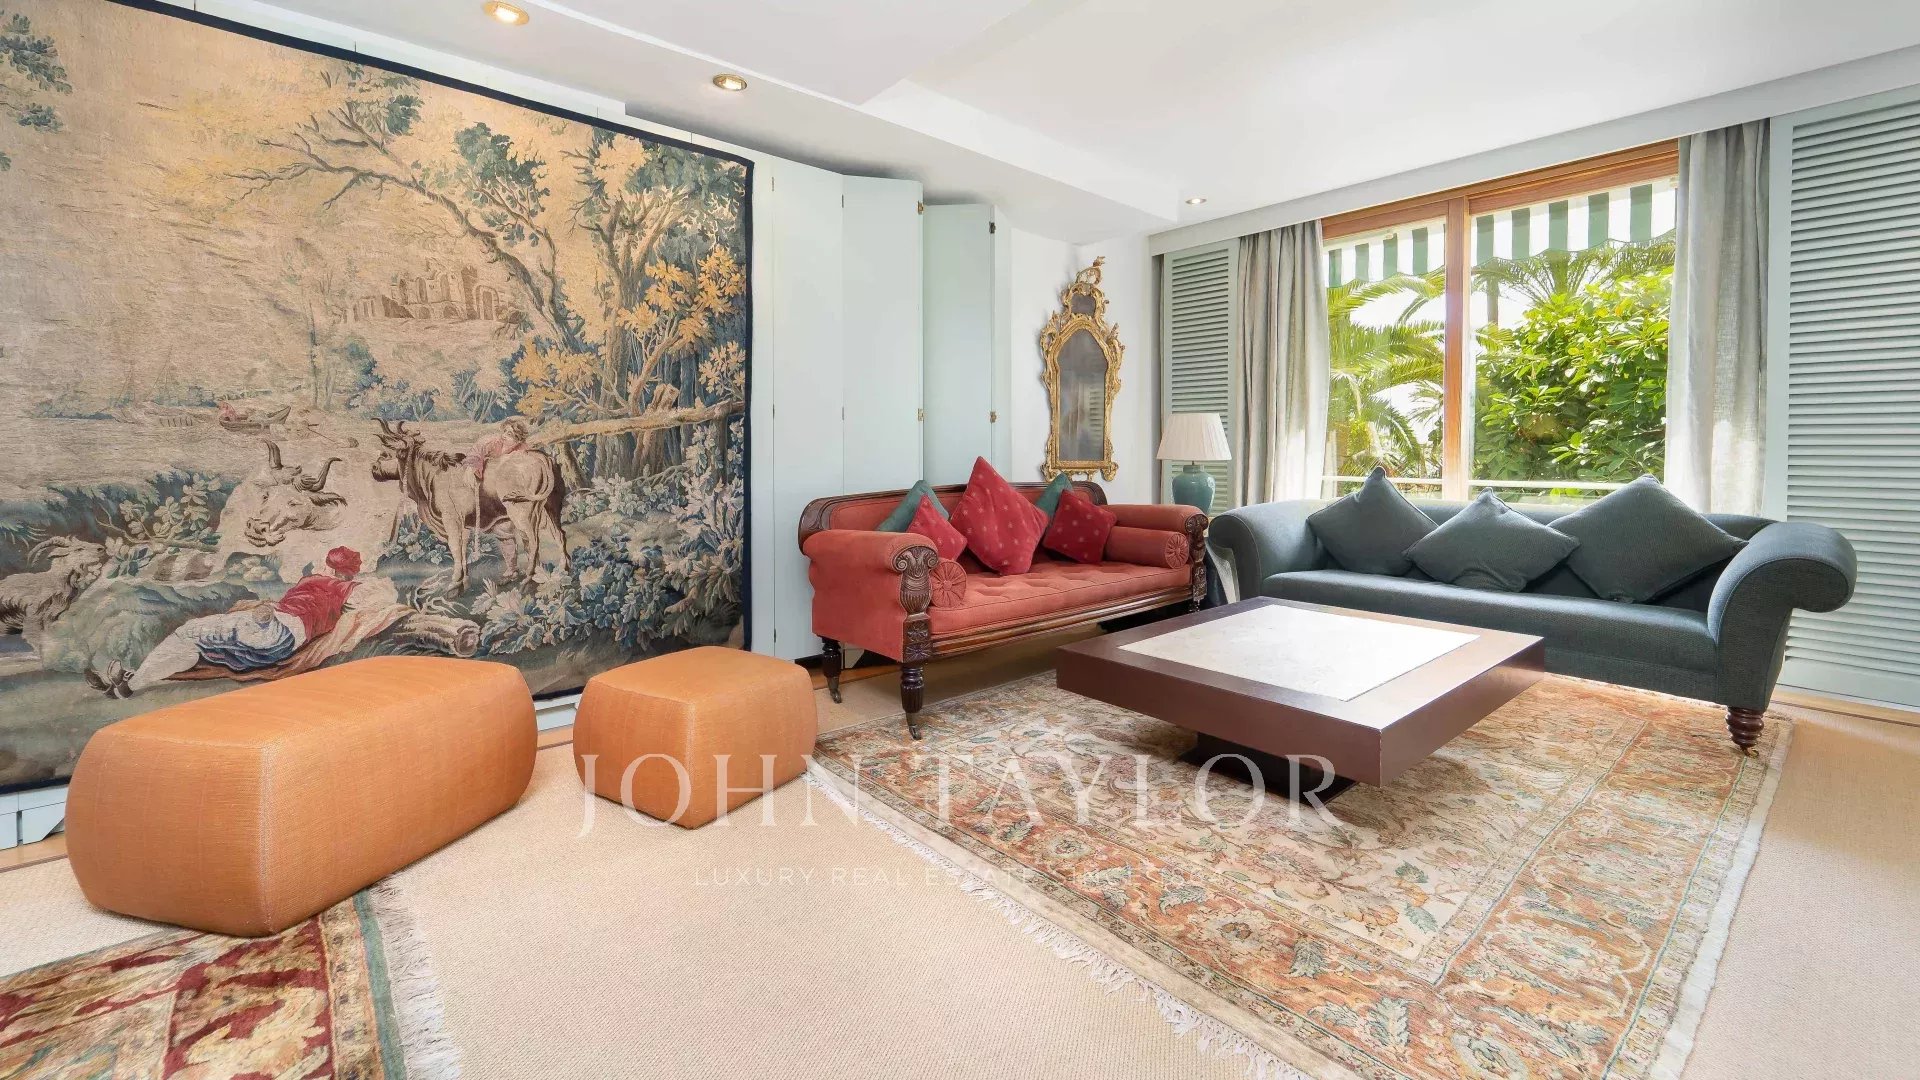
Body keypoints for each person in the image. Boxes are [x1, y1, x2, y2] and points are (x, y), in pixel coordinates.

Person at [89, 546, 373, 698]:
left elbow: (367, 598)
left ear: (332, 568)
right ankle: (127, 683)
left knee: (189, 633)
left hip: (278, 629)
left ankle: (130, 683)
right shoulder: (341, 590)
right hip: (280, 645)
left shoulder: (327, 583)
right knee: (195, 645)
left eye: (327, 563)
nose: (321, 566)